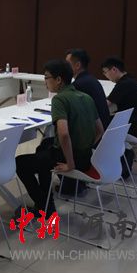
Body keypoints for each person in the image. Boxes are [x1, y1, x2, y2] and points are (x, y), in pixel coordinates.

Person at [16, 60, 104, 218]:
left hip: (70, 159)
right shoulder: (86, 97)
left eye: (46, 77)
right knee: (44, 146)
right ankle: (47, 202)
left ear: (58, 80)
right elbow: (100, 130)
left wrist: (70, 163)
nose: (45, 82)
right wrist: (86, 147)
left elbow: (63, 134)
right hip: (86, 157)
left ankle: (44, 207)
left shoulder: (59, 99)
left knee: (20, 163)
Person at [101, 56, 137, 141]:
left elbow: (105, 104)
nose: (105, 75)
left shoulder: (123, 84)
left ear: (114, 70)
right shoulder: (130, 78)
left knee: (99, 122)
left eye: (105, 72)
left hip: (134, 127)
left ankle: (103, 147)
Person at [65, 49, 110, 129]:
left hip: (94, 132)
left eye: (67, 64)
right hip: (104, 128)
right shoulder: (91, 79)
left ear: (77, 65)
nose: (64, 67)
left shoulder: (79, 85)